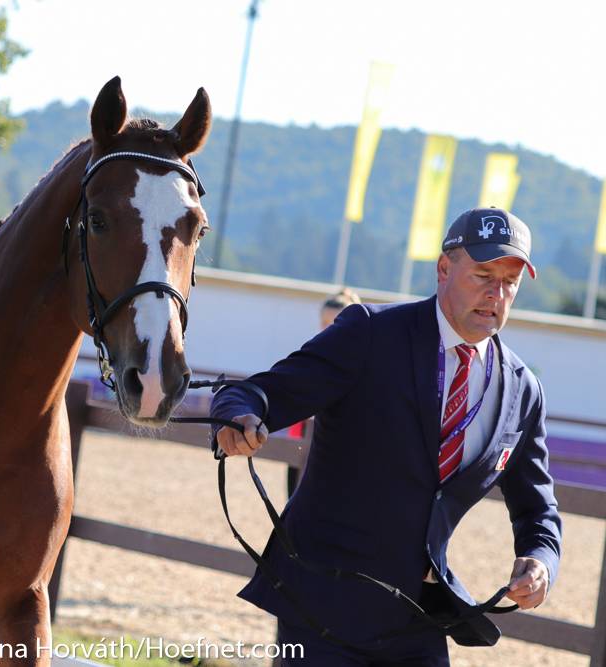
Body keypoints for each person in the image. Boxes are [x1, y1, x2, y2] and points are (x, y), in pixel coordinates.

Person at [211, 207, 562, 665]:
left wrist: (540, 559)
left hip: (419, 618)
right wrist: (237, 416)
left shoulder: (522, 390)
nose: (496, 294)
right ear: (444, 268)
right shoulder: (370, 333)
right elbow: (261, 392)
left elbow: (538, 510)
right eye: (482, 275)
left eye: (509, 282)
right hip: (321, 606)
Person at [286, 288, 363, 496]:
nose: (329, 329)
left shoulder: (359, 361)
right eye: (325, 322)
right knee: (294, 499)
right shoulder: (312, 354)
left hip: (339, 449)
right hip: (303, 441)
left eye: (335, 323)